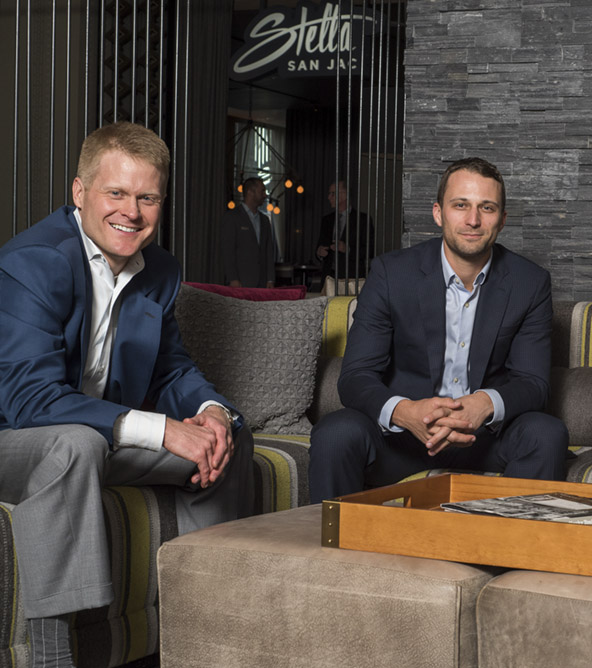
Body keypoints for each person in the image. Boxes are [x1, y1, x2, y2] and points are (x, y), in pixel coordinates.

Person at [0, 121, 253, 668]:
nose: (131, 212)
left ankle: (203, 628)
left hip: (101, 437)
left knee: (228, 437)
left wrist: (211, 414)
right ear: (79, 192)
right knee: (74, 446)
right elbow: (28, 401)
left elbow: (170, 369)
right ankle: (50, 652)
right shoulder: (32, 262)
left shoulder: (158, 269)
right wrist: (163, 430)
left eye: (147, 197)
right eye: (116, 193)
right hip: (18, 442)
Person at [309, 157, 568, 502]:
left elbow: (534, 384)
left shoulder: (529, 283)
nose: (473, 220)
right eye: (460, 205)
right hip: (402, 437)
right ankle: (333, 556)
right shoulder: (391, 273)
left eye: (486, 208)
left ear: (502, 220)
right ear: (438, 213)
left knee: (547, 434)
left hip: (485, 439)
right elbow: (355, 376)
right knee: (335, 433)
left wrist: (482, 404)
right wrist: (405, 413)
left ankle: (506, 554)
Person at [221, 175, 277, 288]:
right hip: (241, 281)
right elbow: (228, 251)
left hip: (262, 283)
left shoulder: (265, 220)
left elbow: (268, 251)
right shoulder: (233, 217)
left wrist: (270, 279)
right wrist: (233, 278)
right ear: (250, 192)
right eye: (262, 191)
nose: (265, 195)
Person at [315, 178, 375, 279]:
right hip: (328, 278)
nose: (329, 197)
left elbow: (370, 250)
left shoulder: (362, 220)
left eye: (332, 194)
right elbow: (320, 246)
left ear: (344, 195)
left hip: (351, 279)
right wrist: (319, 252)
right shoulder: (327, 220)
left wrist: (348, 249)